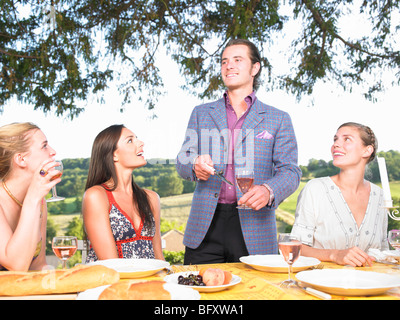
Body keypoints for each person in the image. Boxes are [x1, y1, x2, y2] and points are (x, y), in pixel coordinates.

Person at [176, 39, 301, 264]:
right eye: (224, 61)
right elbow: (182, 160)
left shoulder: (278, 118)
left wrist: (268, 190)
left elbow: (291, 171)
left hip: (255, 229)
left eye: (237, 60)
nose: (229, 66)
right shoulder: (201, 113)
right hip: (204, 228)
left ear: (255, 68)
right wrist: (194, 164)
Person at [291, 122, 389, 267]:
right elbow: (294, 248)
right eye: (335, 139)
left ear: (367, 150)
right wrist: (334, 255)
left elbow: (382, 251)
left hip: (371, 285)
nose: (336, 144)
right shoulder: (315, 189)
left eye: (346, 139)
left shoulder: (380, 196)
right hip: (322, 284)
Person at [82, 124, 164, 262]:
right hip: (111, 281)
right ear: (114, 155)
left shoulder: (151, 198)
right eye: (130, 141)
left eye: (136, 139)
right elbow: (110, 263)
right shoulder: (96, 196)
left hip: (147, 281)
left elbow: (158, 257)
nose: (141, 143)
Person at [0, 122, 61, 271]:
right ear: (21, 159)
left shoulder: (40, 202)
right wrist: (32, 198)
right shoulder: (34, 200)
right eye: (44, 146)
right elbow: (17, 265)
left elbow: (37, 266)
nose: (53, 151)